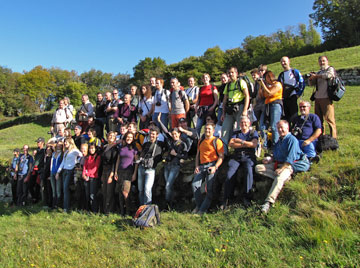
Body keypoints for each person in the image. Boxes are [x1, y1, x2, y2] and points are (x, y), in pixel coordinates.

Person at [255, 120, 310, 213]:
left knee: (279, 178)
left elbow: (290, 159)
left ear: (287, 128)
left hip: (291, 164)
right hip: (279, 163)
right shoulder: (279, 141)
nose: (280, 130)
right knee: (258, 168)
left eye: (282, 128)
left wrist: (281, 169)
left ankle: (268, 202)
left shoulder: (292, 140)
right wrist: (270, 159)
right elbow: (275, 155)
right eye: (278, 128)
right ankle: (284, 178)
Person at [221, 116, 258, 209]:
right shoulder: (236, 132)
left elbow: (253, 144)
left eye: (245, 122)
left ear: (249, 123)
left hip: (249, 156)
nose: (243, 124)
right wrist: (246, 143)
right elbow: (231, 144)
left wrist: (240, 141)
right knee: (230, 173)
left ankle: (247, 197)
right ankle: (227, 199)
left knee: (248, 171)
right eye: (241, 122)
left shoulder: (253, 132)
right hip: (237, 156)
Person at [192, 123, 225, 214]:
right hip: (202, 166)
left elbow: (221, 156)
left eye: (209, 129)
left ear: (213, 131)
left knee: (210, 189)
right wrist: (196, 166)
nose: (207, 130)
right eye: (206, 129)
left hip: (212, 165)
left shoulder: (217, 141)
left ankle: (202, 210)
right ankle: (200, 206)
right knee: (195, 185)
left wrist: (215, 167)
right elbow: (198, 154)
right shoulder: (201, 140)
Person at [157, 113, 188, 206]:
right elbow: (166, 131)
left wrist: (176, 154)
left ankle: (167, 204)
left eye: (176, 134)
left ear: (179, 134)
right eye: (173, 134)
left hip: (175, 166)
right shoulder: (170, 141)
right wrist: (159, 121)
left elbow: (185, 156)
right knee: (168, 185)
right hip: (167, 165)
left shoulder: (183, 144)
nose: (174, 135)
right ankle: (172, 200)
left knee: (168, 185)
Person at [308, 56, 337, 138]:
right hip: (317, 98)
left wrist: (316, 76)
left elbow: (329, 75)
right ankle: (321, 138)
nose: (322, 63)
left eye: (323, 61)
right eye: (320, 61)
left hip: (326, 98)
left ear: (327, 61)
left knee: (330, 119)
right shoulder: (319, 72)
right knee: (318, 120)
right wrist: (311, 78)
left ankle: (333, 139)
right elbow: (311, 84)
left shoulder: (330, 69)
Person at [221, 67, 250, 144]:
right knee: (224, 130)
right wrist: (223, 113)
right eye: (229, 73)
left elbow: (247, 96)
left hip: (240, 107)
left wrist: (245, 110)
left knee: (240, 129)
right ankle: (224, 152)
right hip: (229, 109)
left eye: (232, 72)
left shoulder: (241, 82)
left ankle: (240, 150)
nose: (230, 74)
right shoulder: (228, 85)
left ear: (236, 73)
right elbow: (224, 100)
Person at [138, 126, 165, 205]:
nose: (151, 136)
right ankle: (141, 207)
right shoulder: (146, 144)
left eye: (153, 134)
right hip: (142, 167)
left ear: (157, 135)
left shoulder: (160, 144)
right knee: (140, 190)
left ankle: (147, 208)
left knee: (147, 189)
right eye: (150, 134)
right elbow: (142, 154)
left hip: (151, 169)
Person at [114, 132, 139, 215]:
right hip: (120, 171)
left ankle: (129, 210)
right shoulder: (121, 148)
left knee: (125, 192)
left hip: (129, 172)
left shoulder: (134, 149)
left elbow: (136, 162)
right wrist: (115, 172)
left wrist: (135, 173)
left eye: (131, 137)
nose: (129, 139)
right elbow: (118, 160)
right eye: (128, 137)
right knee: (120, 193)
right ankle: (122, 211)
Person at [56, 138, 82, 212]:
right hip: (65, 170)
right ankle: (66, 206)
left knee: (66, 188)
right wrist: (58, 172)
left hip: (70, 171)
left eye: (66, 142)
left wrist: (77, 164)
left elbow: (81, 155)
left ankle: (66, 207)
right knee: (65, 189)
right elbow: (63, 162)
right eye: (64, 143)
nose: (65, 144)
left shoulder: (74, 151)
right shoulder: (66, 151)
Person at [257, 70, 283, 146]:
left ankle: (276, 145)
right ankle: (263, 146)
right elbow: (261, 96)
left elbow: (269, 93)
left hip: (275, 105)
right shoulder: (266, 86)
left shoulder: (277, 84)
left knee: (274, 126)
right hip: (267, 105)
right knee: (262, 126)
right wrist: (261, 86)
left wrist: (263, 84)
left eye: (266, 78)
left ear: (270, 77)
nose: (265, 80)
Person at [278, 56, 305, 122]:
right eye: (281, 62)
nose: (283, 63)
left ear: (289, 62)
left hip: (293, 96)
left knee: (294, 116)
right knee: (286, 117)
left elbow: (302, 83)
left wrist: (298, 94)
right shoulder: (281, 75)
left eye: (284, 61)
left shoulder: (295, 72)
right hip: (284, 98)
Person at [100, 131, 118, 215]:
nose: (110, 137)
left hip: (110, 170)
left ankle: (109, 211)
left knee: (109, 191)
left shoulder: (115, 148)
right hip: (104, 170)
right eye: (109, 136)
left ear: (115, 138)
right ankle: (104, 209)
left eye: (112, 136)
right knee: (104, 191)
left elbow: (114, 161)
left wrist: (112, 173)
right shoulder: (105, 147)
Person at [26, 137, 46, 204]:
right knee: (30, 185)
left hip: (40, 170)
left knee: (37, 185)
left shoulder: (44, 151)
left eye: (39, 142)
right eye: (37, 142)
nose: (37, 143)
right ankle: (34, 197)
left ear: (42, 143)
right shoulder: (37, 150)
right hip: (34, 170)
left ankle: (36, 199)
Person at [82, 143, 101, 213]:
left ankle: (94, 210)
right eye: (90, 148)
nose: (91, 150)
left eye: (93, 148)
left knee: (92, 195)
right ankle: (88, 209)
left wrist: (88, 174)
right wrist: (84, 174)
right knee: (87, 194)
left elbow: (96, 167)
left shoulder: (97, 157)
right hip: (87, 177)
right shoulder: (88, 157)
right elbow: (85, 166)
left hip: (93, 177)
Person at [251, 69, 267, 147]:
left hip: (263, 106)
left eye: (255, 75)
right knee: (255, 124)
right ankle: (258, 141)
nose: (253, 76)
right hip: (257, 106)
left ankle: (264, 144)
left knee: (262, 125)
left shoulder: (262, 82)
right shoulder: (255, 84)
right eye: (252, 75)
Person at [50, 141, 63, 208]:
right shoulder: (54, 153)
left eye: (60, 145)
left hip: (58, 172)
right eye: (58, 144)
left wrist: (59, 172)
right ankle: (53, 204)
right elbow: (51, 163)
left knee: (58, 189)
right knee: (53, 189)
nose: (58, 145)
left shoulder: (62, 154)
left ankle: (58, 204)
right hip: (52, 172)